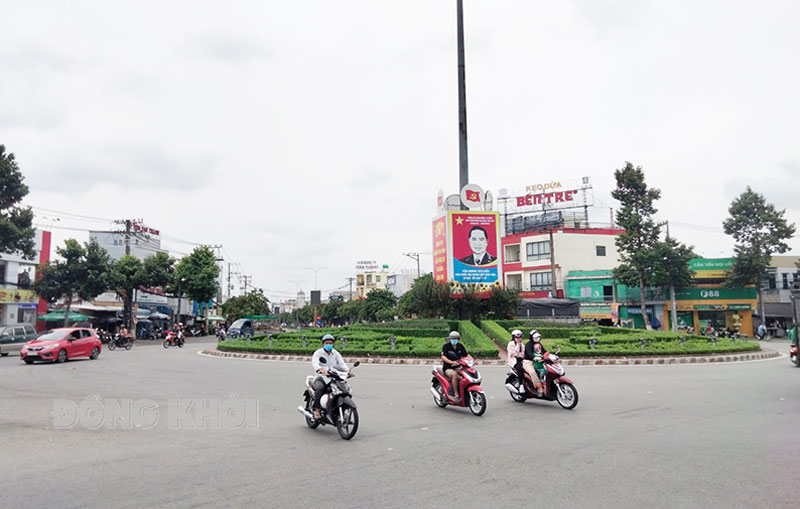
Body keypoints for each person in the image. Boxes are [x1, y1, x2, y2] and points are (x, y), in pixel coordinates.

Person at [311, 334, 349, 419]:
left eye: (330, 343)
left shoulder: (335, 353)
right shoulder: (318, 353)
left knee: (343, 390)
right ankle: (317, 409)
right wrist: (320, 369)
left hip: (333, 377)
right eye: (327, 343)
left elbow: (342, 364)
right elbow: (315, 363)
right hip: (321, 377)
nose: (329, 344)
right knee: (320, 388)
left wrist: (348, 371)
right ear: (323, 344)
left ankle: (337, 409)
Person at [441, 331, 468, 402]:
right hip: (448, 368)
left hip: (458, 367)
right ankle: (456, 394)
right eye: (452, 339)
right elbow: (443, 357)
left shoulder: (460, 346)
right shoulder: (446, 346)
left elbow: (466, 355)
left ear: (458, 339)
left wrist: (473, 360)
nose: (454, 340)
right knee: (454, 375)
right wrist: (451, 362)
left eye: (455, 338)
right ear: (450, 339)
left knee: (466, 375)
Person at [523, 330, 545, 396]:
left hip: (538, 361)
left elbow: (544, 351)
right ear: (531, 337)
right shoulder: (528, 344)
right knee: (533, 372)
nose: (537, 339)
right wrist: (534, 357)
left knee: (546, 371)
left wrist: (551, 355)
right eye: (535, 337)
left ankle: (544, 384)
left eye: (538, 337)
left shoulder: (539, 344)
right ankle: (539, 388)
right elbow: (529, 353)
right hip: (528, 362)